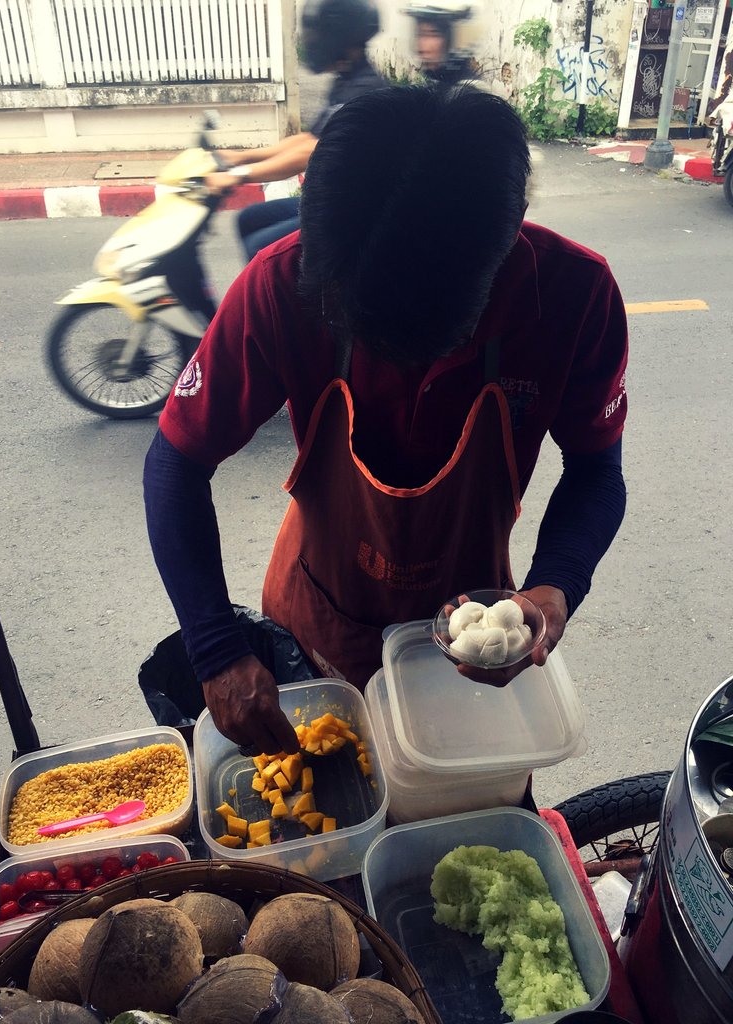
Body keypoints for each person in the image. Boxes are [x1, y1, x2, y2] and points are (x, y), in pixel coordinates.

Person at [144, 85, 628, 757]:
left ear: (512, 223)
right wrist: (216, 650)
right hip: (315, 625)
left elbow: (598, 470)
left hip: (468, 644)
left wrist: (555, 585)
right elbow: (176, 460)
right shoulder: (283, 285)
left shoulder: (574, 297)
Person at [207, 0, 386, 262]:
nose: (313, 41)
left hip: (354, 214)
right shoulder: (347, 80)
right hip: (333, 200)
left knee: (262, 250)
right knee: (249, 219)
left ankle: (288, 302)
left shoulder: (365, 90)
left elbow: (312, 151)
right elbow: (309, 138)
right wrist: (242, 156)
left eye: (321, 33)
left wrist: (238, 175)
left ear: (343, 37)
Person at [402, 0, 478, 84]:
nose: (421, 48)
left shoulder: (468, 93)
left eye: (433, 33)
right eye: (419, 33)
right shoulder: (439, 87)